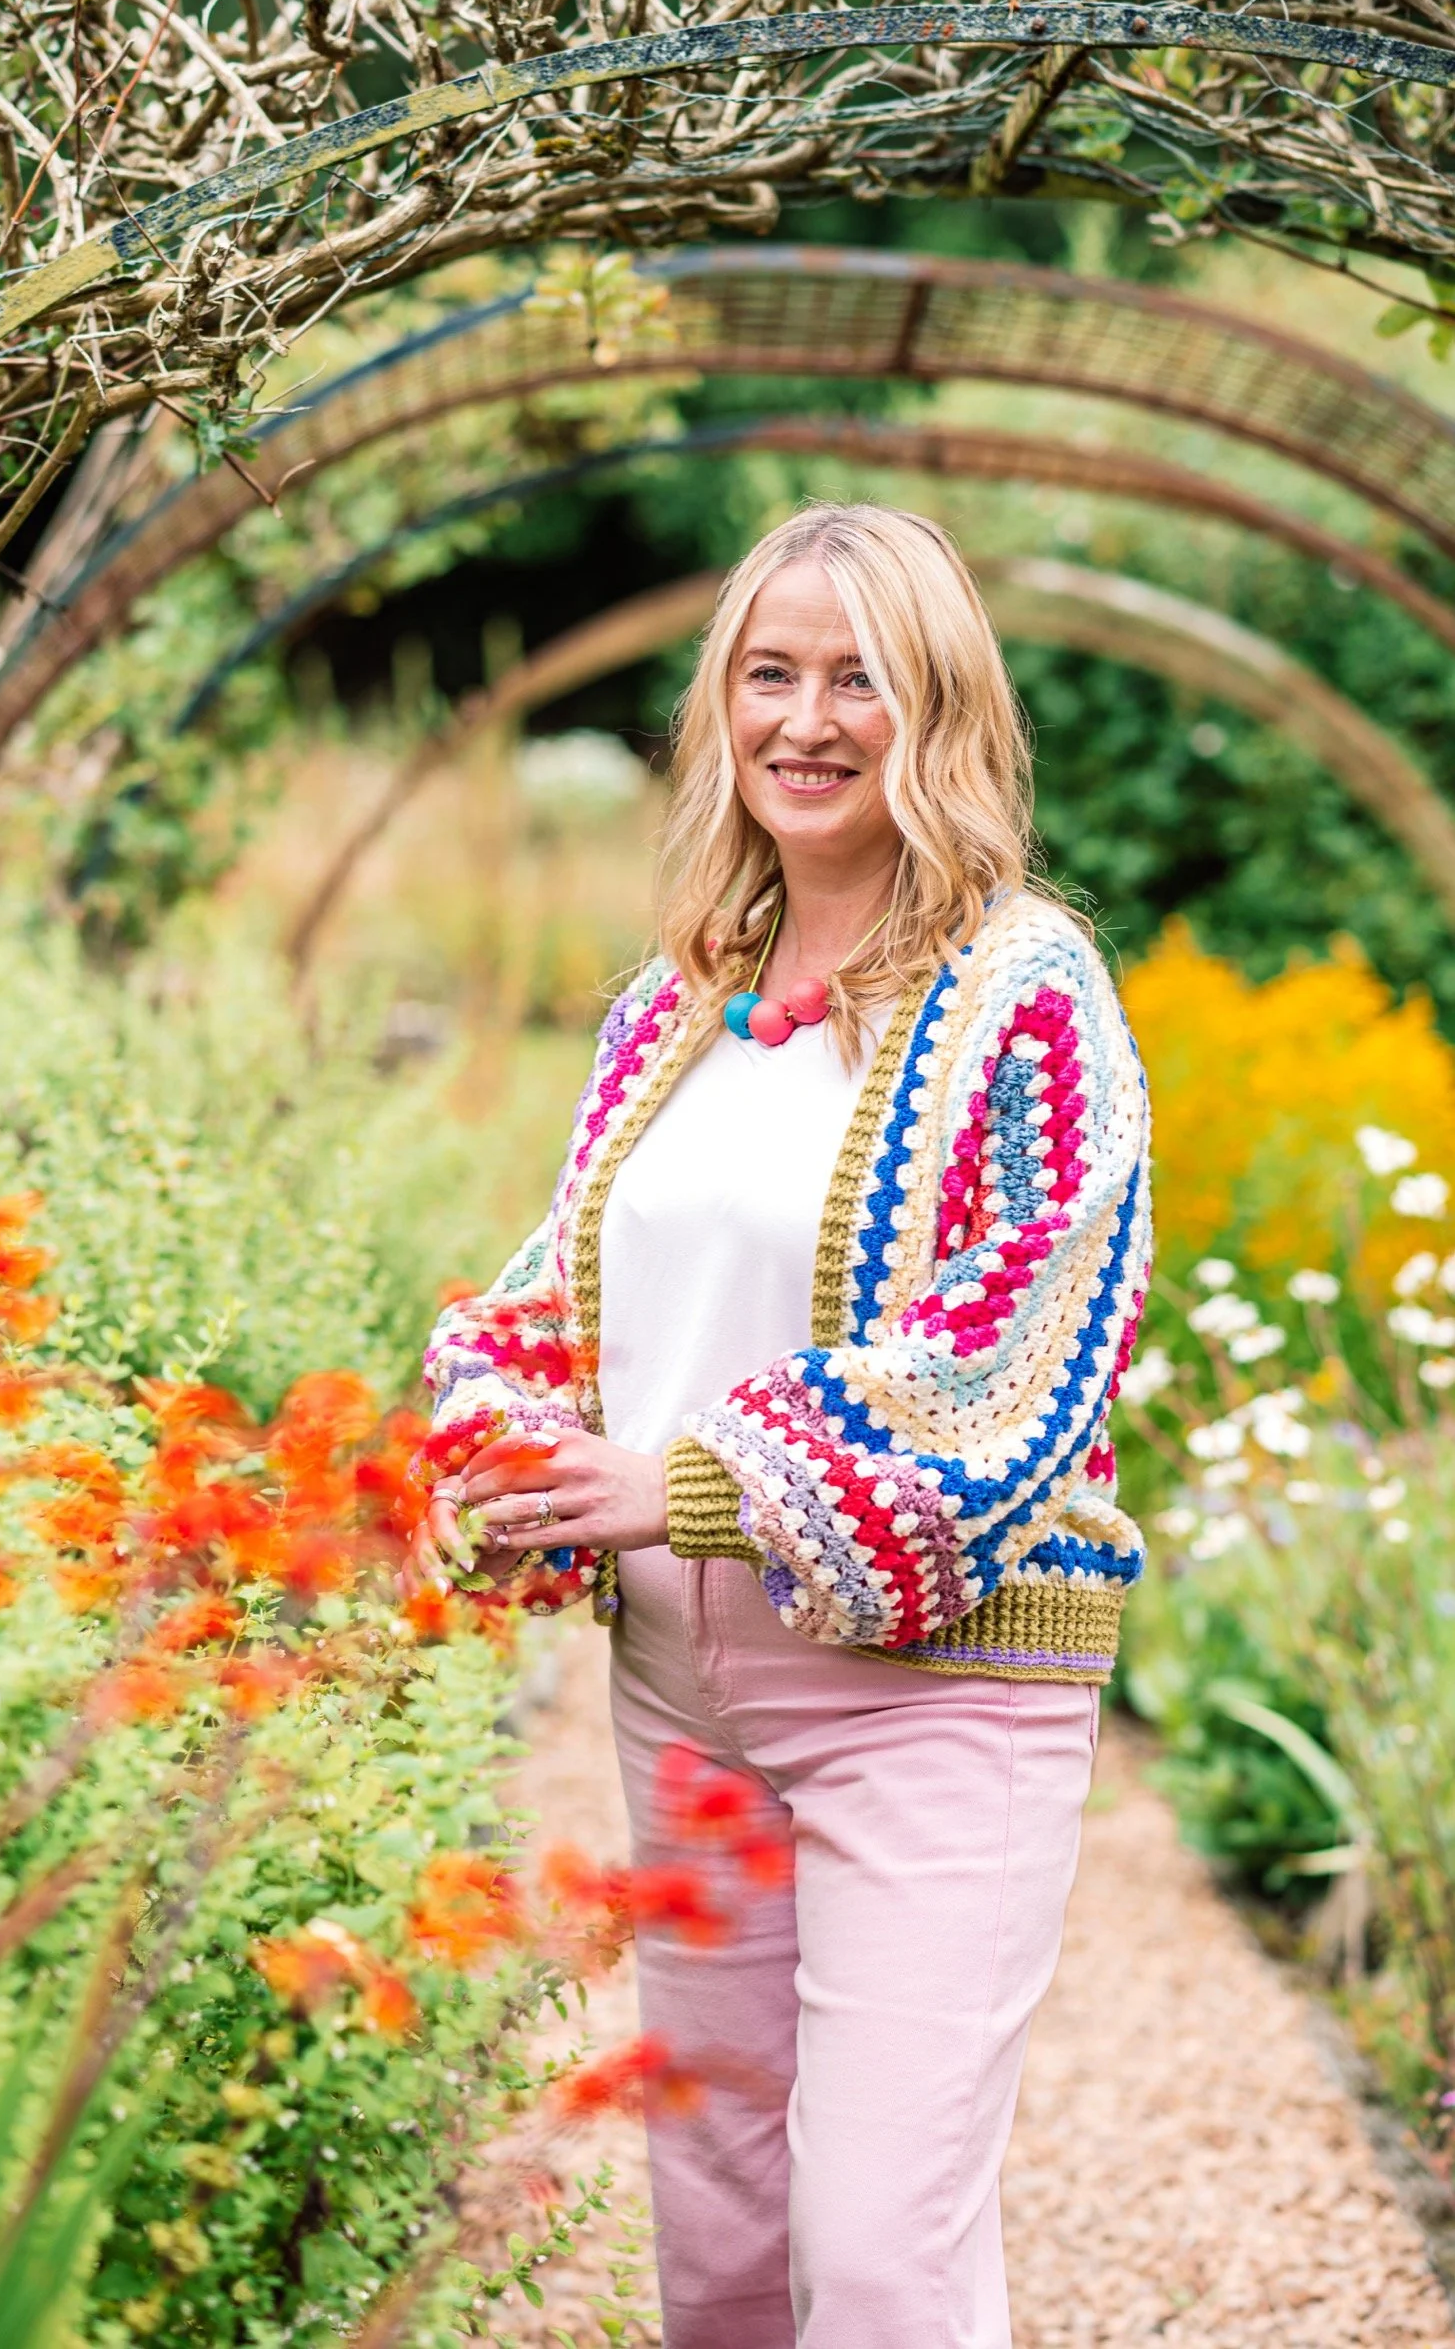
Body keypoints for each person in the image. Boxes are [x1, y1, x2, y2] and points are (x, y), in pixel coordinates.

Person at [420, 501, 1151, 2349]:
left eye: (860, 679)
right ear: (717, 708)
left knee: (883, 2256)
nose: (807, 720)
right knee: (725, 2240)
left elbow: (1016, 1355)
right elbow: (556, 1291)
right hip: (680, 1691)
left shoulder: (1025, 996)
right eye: (770, 673)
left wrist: (675, 1480)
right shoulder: (673, 1008)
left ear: (941, 711)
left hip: (933, 1688)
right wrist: (497, 1438)